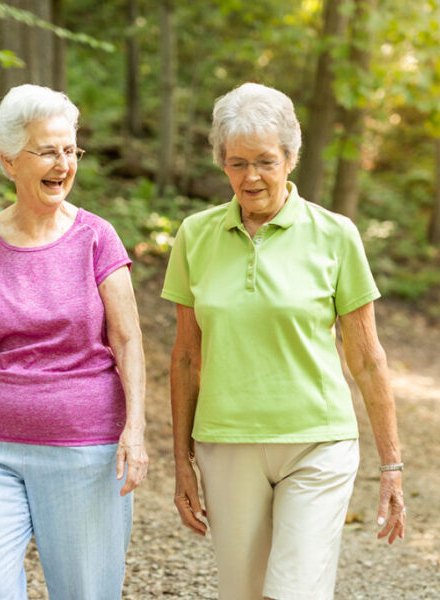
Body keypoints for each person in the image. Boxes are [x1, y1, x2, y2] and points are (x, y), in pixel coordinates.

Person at [161, 82, 405, 600]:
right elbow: (185, 358)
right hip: (226, 443)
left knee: (292, 592)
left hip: (318, 440)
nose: (251, 177)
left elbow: (366, 358)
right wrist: (181, 459)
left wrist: (392, 466)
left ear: (291, 159)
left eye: (266, 161)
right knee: (244, 594)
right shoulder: (194, 236)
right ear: (222, 164)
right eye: (237, 162)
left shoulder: (335, 235)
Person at [0, 84, 148, 599]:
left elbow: (128, 338)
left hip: (83, 447)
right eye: (47, 151)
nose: (63, 164)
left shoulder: (97, 238)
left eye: (70, 151)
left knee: (85, 592)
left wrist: (135, 428)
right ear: (8, 161)